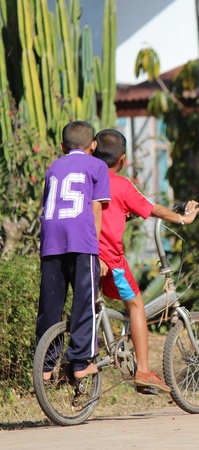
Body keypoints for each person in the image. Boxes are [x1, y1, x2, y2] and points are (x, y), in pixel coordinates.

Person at [94, 129, 199, 393]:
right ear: (123, 159)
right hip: (110, 259)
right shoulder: (120, 184)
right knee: (136, 305)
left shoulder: (88, 179)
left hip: (83, 255)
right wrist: (183, 219)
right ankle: (143, 370)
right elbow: (151, 207)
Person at [36, 120, 111, 380]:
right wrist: (97, 251)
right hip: (81, 240)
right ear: (93, 145)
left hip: (51, 241)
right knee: (84, 301)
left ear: (61, 146)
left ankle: (45, 366)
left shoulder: (53, 167)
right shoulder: (98, 166)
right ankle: (80, 362)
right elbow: (96, 209)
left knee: (50, 303)